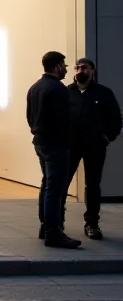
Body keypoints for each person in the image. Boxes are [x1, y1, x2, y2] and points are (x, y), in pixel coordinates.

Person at [63, 58, 122, 240]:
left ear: (92, 70)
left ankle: (92, 224)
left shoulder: (103, 93)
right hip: (70, 145)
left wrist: (106, 138)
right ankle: (57, 223)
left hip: (95, 146)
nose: (80, 70)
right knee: (62, 183)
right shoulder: (67, 92)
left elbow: (116, 119)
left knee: (93, 185)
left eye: (84, 67)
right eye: (77, 67)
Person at [27, 51, 80, 249]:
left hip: (41, 142)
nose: (67, 69)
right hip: (56, 144)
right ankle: (53, 233)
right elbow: (64, 119)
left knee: (47, 185)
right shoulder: (58, 89)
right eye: (64, 65)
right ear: (57, 66)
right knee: (55, 190)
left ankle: (45, 227)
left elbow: (30, 117)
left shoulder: (35, 88)